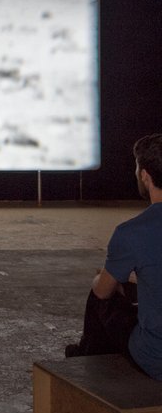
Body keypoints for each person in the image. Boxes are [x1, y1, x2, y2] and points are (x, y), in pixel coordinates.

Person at [65, 133, 162, 379]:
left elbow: (102, 292)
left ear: (145, 176)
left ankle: (86, 358)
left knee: (101, 293)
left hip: (155, 357)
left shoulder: (132, 232)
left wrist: (104, 279)